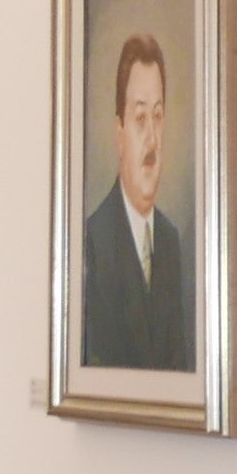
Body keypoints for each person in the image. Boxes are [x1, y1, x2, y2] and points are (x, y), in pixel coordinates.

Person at [78, 31, 190, 370]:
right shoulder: (93, 237)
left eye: (158, 116)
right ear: (119, 132)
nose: (152, 138)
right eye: (140, 118)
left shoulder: (170, 241)